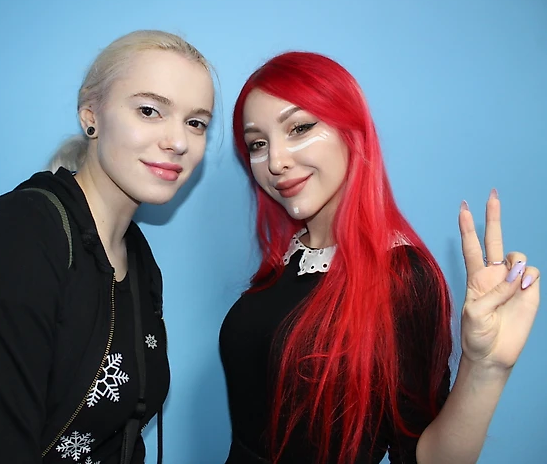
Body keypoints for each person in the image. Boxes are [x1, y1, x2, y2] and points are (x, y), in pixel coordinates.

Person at [0, 29, 215, 464]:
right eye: (149, 110)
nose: (178, 141)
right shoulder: (23, 231)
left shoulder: (138, 259)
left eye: (196, 123)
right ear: (90, 114)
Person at [219, 51, 540, 464]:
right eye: (258, 144)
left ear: (352, 131)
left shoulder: (402, 276)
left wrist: (485, 369)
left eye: (299, 128)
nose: (276, 161)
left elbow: (425, 456)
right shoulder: (289, 259)